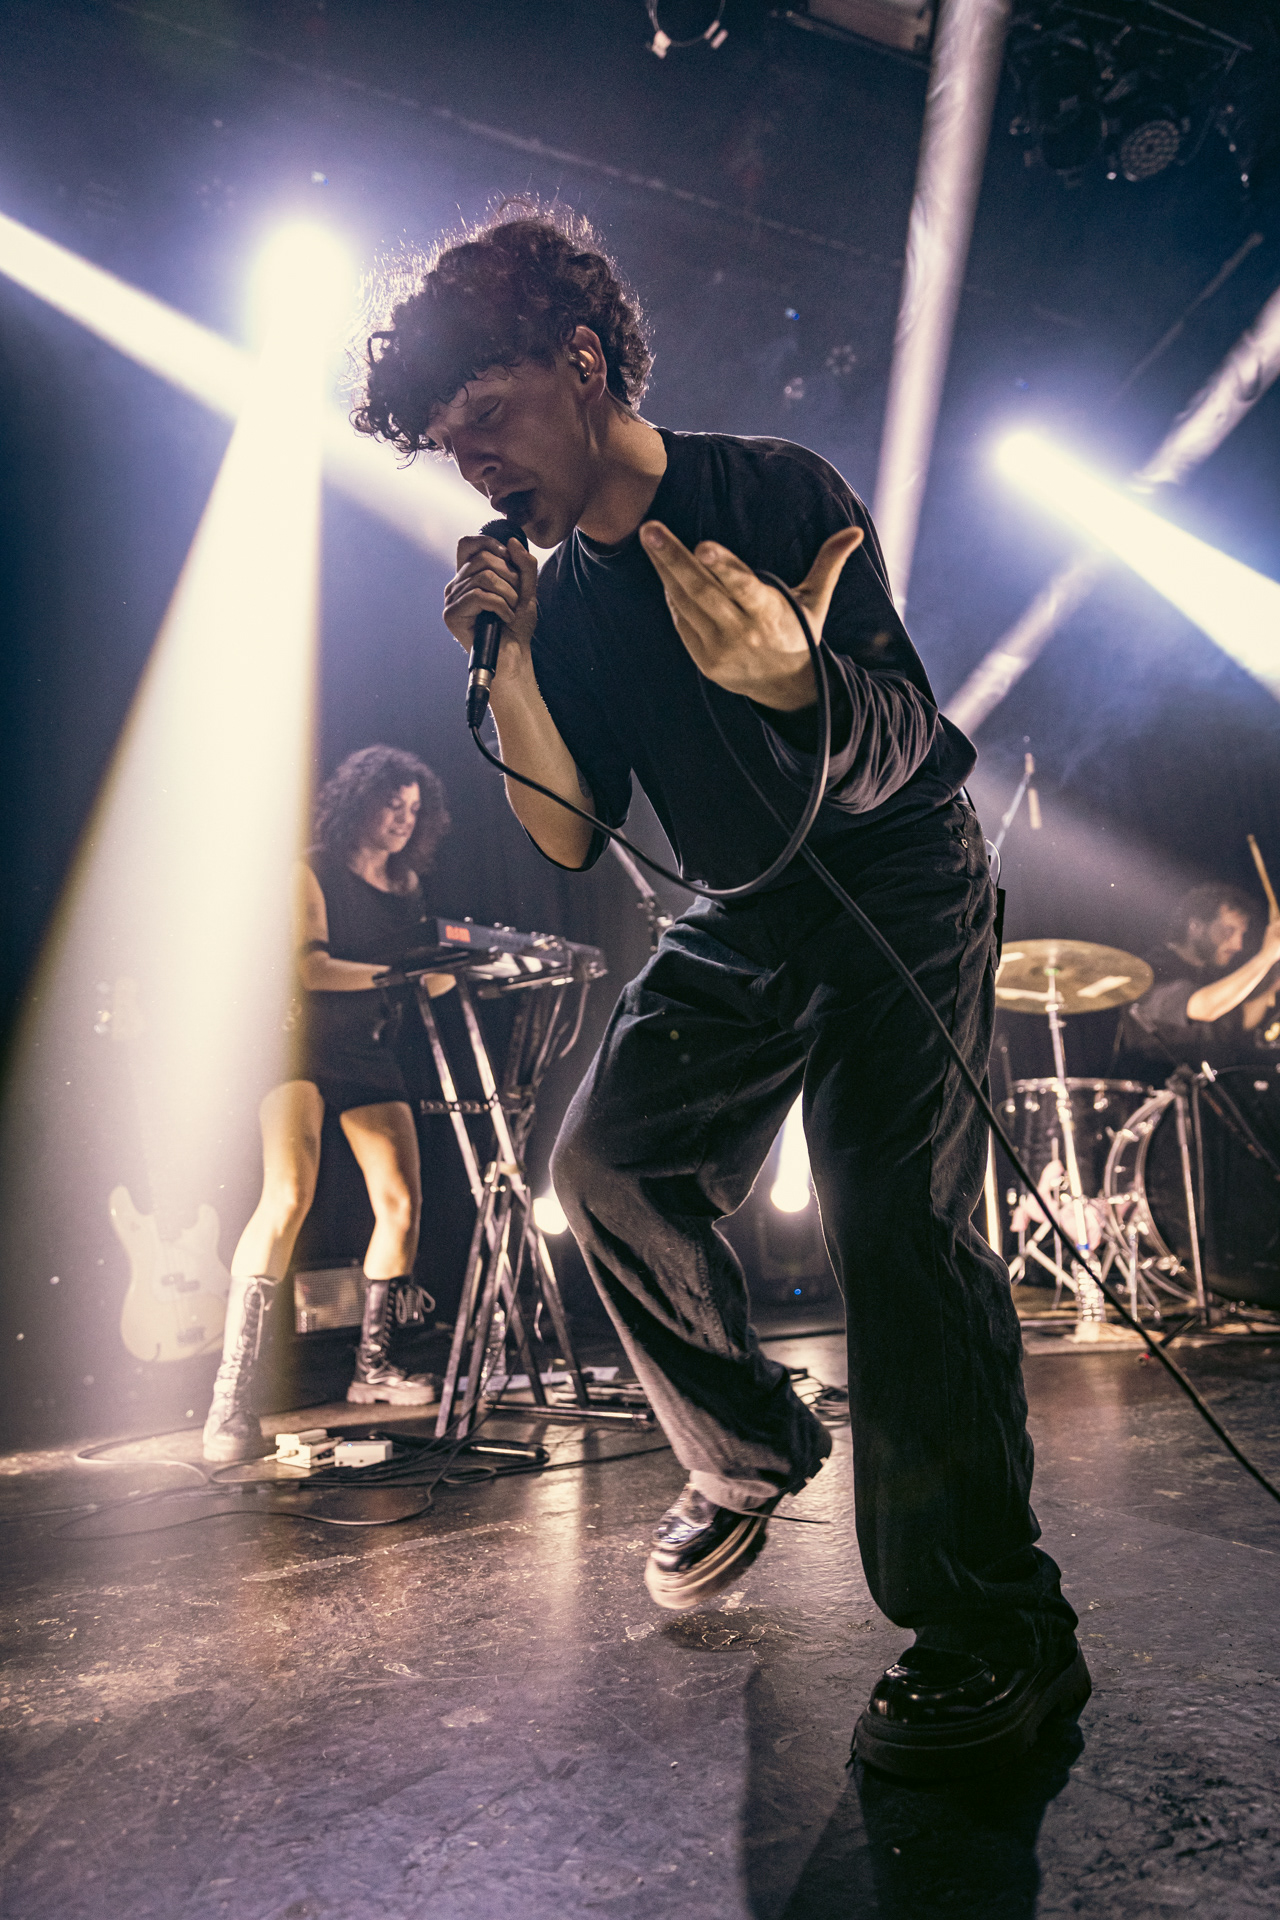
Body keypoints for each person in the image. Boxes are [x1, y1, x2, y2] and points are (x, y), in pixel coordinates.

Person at [353, 207, 1087, 1779]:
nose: (472, 462)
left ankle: (997, 1630)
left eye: (486, 413)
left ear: (582, 359)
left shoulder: (769, 490)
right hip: (745, 914)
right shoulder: (566, 598)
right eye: (446, 445)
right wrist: (513, 661)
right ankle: (748, 1451)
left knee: (899, 1228)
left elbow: (908, 737)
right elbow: (567, 830)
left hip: (897, 881)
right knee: (607, 1169)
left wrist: (795, 682)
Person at [202, 745, 456, 1464]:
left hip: (368, 1050)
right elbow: (310, 967)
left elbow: (422, 978)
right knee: (287, 1195)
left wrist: (440, 974)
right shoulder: (310, 870)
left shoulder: (407, 885)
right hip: (297, 1046)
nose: (404, 819)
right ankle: (230, 1396)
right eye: (392, 804)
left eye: (415, 809)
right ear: (359, 802)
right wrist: (403, 977)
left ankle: (373, 1369)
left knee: (401, 1203)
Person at [1118, 883, 1280, 1078]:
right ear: (1195, 927)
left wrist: (1274, 978)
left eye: (1241, 933)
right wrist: (1266, 957)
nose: (1238, 944)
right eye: (1229, 930)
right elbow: (1204, 1007)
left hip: (1205, 1087)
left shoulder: (1211, 974)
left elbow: (1241, 1021)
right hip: (1156, 1086)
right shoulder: (1151, 970)